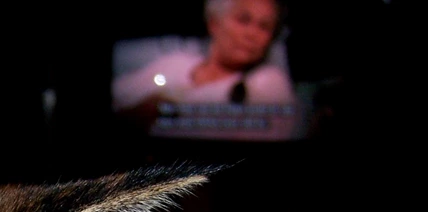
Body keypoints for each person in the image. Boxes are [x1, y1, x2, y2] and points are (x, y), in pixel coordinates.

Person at [113, 0, 298, 140]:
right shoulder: (175, 63)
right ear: (214, 23)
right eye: (243, 20)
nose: (253, 34)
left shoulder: (267, 82)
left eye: (264, 27)